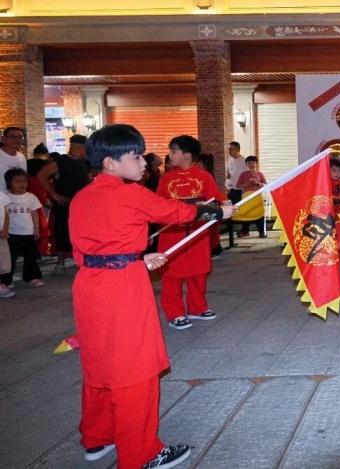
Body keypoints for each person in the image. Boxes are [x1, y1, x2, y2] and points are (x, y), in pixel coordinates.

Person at [70, 124, 233, 469]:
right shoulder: (130, 193)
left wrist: (135, 258)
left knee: (99, 362)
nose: (144, 162)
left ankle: (98, 437)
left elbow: (92, 250)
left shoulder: (82, 197)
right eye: (135, 156)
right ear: (110, 163)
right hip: (123, 291)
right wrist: (218, 211)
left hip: (89, 287)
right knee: (135, 370)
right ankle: (141, 453)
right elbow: (178, 212)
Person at [156, 136, 222, 330]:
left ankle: (197, 307)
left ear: (187, 155)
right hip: (172, 233)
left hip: (197, 233)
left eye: (174, 151)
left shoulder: (204, 177)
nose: (170, 155)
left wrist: (213, 207)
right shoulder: (166, 178)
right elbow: (157, 205)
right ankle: (174, 312)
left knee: (198, 271)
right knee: (171, 275)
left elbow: (215, 201)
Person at [37, 134, 91, 276]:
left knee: (82, 232)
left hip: (82, 204)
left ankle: (81, 261)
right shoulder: (60, 162)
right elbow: (41, 176)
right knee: (62, 232)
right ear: (79, 147)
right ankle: (60, 263)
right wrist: (54, 195)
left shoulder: (85, 162)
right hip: (65, 203)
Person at [2, 168, 44, 289]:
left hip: (28, 232)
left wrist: (36, 229)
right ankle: (6, 281)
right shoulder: (5, 197)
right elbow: (3, 214)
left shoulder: (31, 197)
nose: (22, 184)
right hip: (11, 233)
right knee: (10, 258)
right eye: (17, 181)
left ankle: (32, 278)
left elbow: (34, 214)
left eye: (24, 181)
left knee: (30, 257)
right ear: (9, 183)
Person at [237, 156, 268, 239]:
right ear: (246, 164)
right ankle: (245, 231)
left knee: (259, 214)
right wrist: (247, 184)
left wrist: (257, 183)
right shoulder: (243, 174)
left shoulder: (260, 174)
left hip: (257, 197)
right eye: (249, 163)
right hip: (246, 197)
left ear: (256, 164)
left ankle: (262, 232)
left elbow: (266, 185)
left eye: (253, 162)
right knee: (246, 214)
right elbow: (238, 185)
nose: (251, 164)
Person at [0, 127, 27, 194]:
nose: (17, 140)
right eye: (13, 137)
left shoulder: (21, 157)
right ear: (3, 139)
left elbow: (23, 178)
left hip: (15, 197)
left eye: (20, 137)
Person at [0, 190, 10, 298]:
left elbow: (6, 214)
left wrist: (5, 229)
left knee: (2, 260)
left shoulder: (2, 196)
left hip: (1, 234)